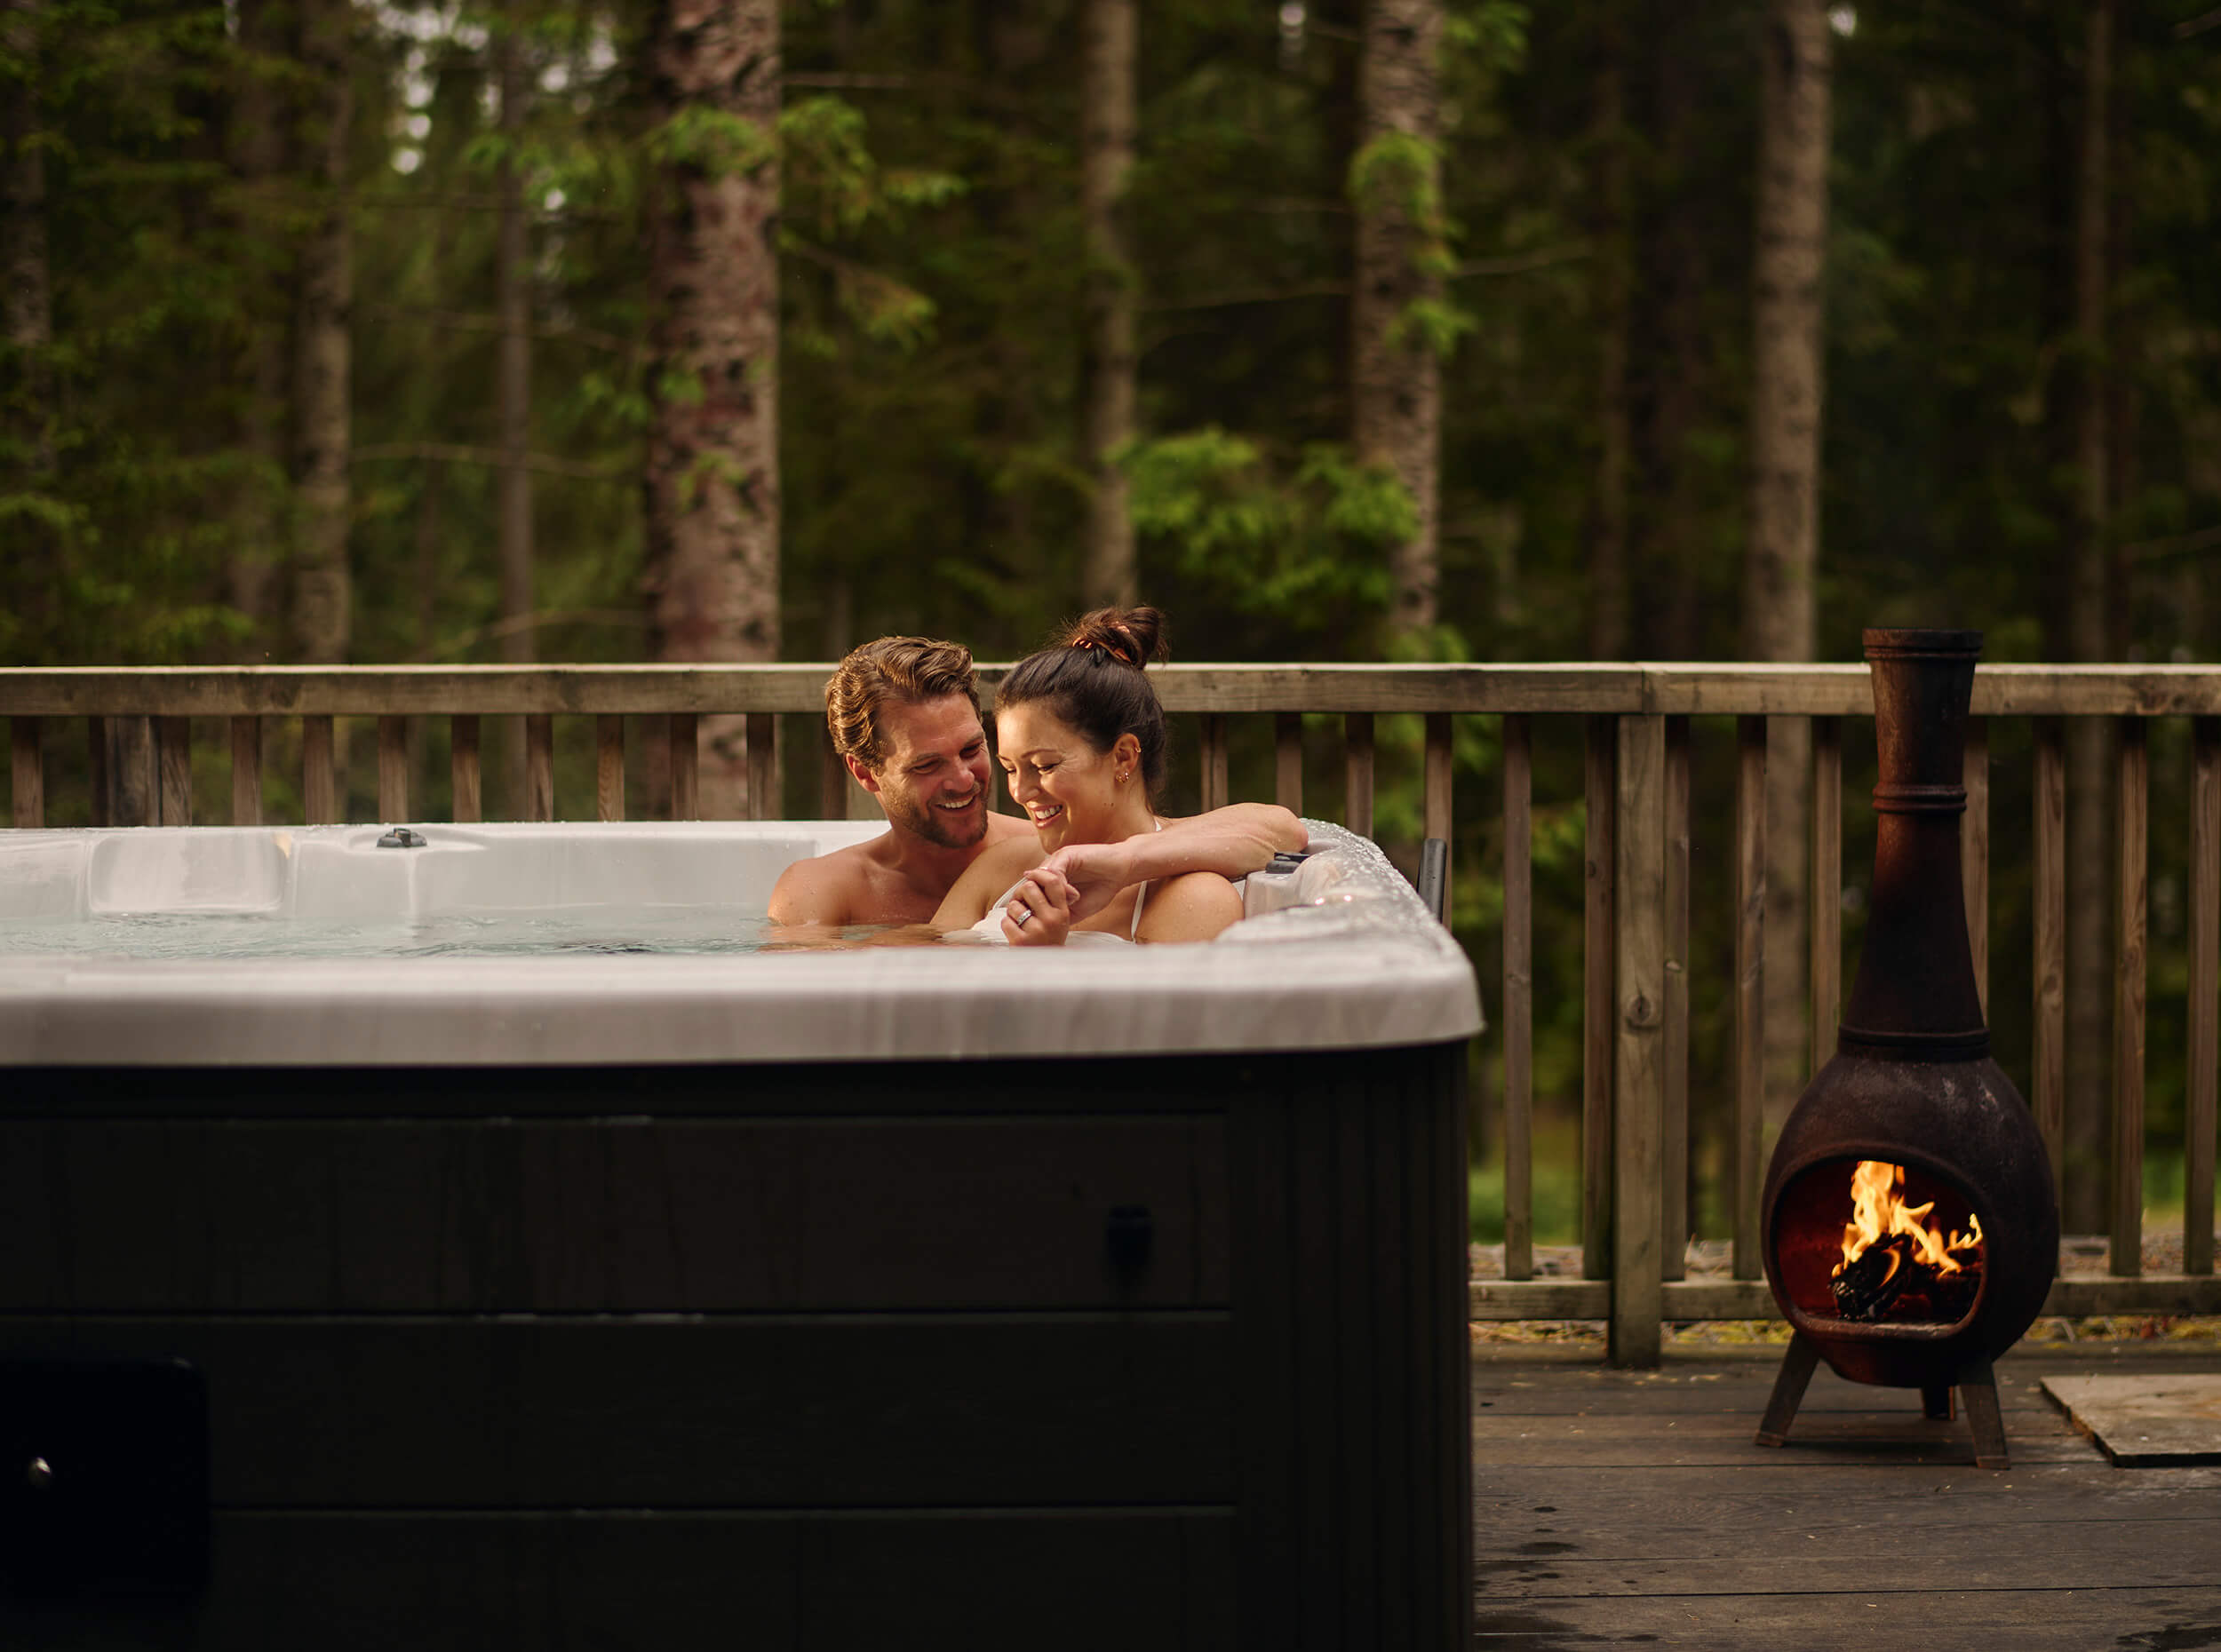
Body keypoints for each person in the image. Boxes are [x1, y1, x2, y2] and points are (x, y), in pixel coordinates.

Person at [767, 628, 1302, 930]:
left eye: (973, 751)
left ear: (1123, 757)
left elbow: (1280, 831)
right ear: (866, 774)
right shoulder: (1006, 862)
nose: (968, 781)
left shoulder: (1045, 849)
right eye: (928, 765)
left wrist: (1120, 863)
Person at [932, 607, 1245, 945]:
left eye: (1045, 766)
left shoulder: (1194, 898)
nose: (1019, 792)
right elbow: (909, 967)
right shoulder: (1001, 866)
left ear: (1123, 757)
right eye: (1010, 768)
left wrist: (1048, 959)